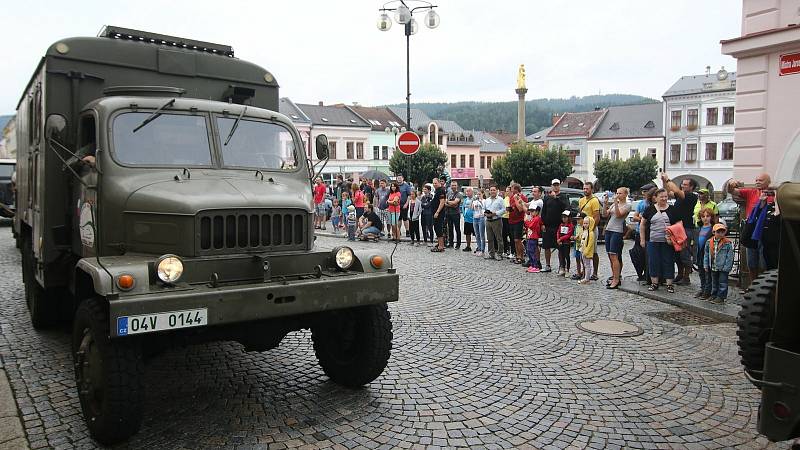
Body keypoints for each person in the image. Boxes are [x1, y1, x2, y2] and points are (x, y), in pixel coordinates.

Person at [640, 188, 680, 293]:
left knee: (668, 261)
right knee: (653, 261)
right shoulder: (649, 209)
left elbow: (679, 224)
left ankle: (669, 284)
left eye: (666, 196)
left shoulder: (672, 209)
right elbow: (642, 224)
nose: (664, 198)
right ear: (655, 198)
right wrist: (642, 239)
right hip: (652, 240)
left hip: (668, 241)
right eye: (661, 196)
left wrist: (673, 233)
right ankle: (654, 283)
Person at [662, 173, 698, 285]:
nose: (683, 186)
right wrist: (664, 181)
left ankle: (686, 277)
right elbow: (669, 192)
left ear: (691, 187)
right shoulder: (681, 195)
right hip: (677, 228)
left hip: (686, 228)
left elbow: (676, 191)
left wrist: (668, 179)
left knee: (684, 253)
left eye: (686, 185)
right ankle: (680, 274)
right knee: (677, 254)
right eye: (682, 184)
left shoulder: (691, 196)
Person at [602, 187, 631, 290]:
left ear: (625, 194)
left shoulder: (627, 205)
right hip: (609, 231)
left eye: (620, 193)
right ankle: (614, 275)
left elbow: (619, 215)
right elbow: (605, 215)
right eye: (617, 193)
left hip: (617, 231)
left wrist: (615, 202)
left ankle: (616, 279)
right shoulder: (615, 204)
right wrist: (605, 204)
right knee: (610, 255)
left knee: (614, 255)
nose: (618, 194)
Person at [540, 179, 569, 272]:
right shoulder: (547, 198)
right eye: (554, 185)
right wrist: (543, 223)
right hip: (548, 226)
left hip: (559, 226)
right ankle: (548, 265)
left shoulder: (563, 197)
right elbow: (543, 212)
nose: (555, 186)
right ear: (551, 186)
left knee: (560, 247)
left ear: (559, 186)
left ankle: (561, 266)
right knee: (546, 246)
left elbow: (566, 208)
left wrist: (556, 198)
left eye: (557, 185)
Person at [703, 222, 734, 304]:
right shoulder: (709, 242)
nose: (720, 234)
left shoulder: (727, 243)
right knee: (714, 282)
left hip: (723, 267)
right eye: (718, 232)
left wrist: (727, 267)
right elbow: (706, 254)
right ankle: (714, 295)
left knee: (723, 282)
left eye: (722, 232)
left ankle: (721, 297)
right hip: (713, 266)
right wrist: (706, 265)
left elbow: (730, 256)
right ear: (713, 232)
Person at [631, 187, 656, 283]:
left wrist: (642, 218)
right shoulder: (642, 204)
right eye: (643, 191)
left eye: (646, 191)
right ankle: (641, 274)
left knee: (649, 255)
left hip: (650, 233)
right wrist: (641, 219)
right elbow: (634, 217)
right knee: (639, 255)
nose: (644, 193)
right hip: (640, 232)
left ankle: (648, 275)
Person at [578, 182, 601, 280]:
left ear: (592, 189)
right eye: (584, 188)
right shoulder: (581, 200)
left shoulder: (594, 200)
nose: (585, 190)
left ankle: (595, 273)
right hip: (583, 229)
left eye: (587, 189)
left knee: (593, 251)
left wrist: (590, 230)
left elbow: (597, 217)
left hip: (591, 230)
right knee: (583, 250)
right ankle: (585, 271)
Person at [694, 208, 716, 300]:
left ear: (711, 217)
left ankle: (708, 291)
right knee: (701, 273)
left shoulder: (713, 229)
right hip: (699, 254)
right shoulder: (698, 229)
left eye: (707, 216)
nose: (705, 218)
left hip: (708, 255)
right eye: (703, 216)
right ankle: (703, 289)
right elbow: (695, 243)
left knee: (708, 274)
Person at [483, 185, 506, 260]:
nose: (492, 191)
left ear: (497, 191)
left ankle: (500, 253)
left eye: (494, 190)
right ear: (489, 191)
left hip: (497, 220)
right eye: (491, 190)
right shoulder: (487, 200)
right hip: (488, 220)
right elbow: (484, 209)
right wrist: (485, 213)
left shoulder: (500, 199)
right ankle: (491, 253)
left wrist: (495, 213)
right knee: (489, 238)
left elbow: (503, 210)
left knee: (499, 238)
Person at [508, 183, 528, 264]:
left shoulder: (522, 197)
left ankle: (521, 257)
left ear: (516, 189)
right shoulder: (511, 197)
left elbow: (520, 209)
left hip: (518, 221)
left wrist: (516, 199)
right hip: (511, 220)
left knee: (518, 239)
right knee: (514, 240)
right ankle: (517, 255)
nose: (511, 190)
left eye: (512, 188)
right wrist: (510, 209)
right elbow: (513, 207)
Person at [527, 186, 544, 268]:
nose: (533, 193)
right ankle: (532, 263)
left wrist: (526, 220)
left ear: (540, 193)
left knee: (533, 248)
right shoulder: (533, 201)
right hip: (530, 230)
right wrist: (519, 200)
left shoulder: (539, 202)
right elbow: (527, 206)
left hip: (534, 230)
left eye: (535, 191)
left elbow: (527, 210)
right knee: (530, 248)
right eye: (532, 191)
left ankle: (536, 263)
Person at [578, 216, 597, 284]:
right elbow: (582, 239)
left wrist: (586, 251)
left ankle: (587, 279)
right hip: (582, 250)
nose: (585, 225)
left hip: (586, 252)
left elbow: (590, 244)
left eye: (587, 223)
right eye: (584, 223)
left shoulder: (591, 233)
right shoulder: (584, 231)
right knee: (585, 265)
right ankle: (586, 277)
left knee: (587, 265)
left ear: (591, 224)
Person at [445, 181, 463, 249]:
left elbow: (455, 203)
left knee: (457, 229)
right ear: (450, 186)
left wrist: (448, 202)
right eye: (452, 185)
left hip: (456, 214)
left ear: (457, 186)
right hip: (449, 213)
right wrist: (451, 203)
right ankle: (451, 243)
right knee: (450, 229)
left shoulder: (459, 194)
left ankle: (458, 244)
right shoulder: (448, 193)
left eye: (455, 185)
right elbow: (447, 203)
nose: (453, 187)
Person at [431, 178, 448, 252]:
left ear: (439, 183)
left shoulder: (441, 190)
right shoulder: (437, 190)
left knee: (438, 229)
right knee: (436, 228)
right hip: (435, 212)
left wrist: (437, 212)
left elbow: (442, 202)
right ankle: (439, 244)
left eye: (436, 183)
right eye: (433, 183)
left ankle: (441, 247)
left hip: (439, 213)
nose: (434, 184)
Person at [524, 207, 542, 273]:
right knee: (529, 251)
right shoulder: (533, 218)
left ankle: (535, 266)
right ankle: (532, 264)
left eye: (533, 211)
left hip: (533, 237)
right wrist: (527, 222)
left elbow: (531, 226)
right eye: (531, 211)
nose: (531, 213)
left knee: (532, 252)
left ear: (537, 212)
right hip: (529, 236)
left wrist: (526, 221)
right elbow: (528, 225)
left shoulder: (537, 218)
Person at [556, 210, 574, 277]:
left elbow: (568, 234)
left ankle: (567, 270)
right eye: (563, 217)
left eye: (565, 217)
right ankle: (562, 268)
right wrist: (558, 239)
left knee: (567, 256)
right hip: (561, 243)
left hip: (566, 243)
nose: (564, 219)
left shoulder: (570, 225)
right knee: (561, 256)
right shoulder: (561, 225)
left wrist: (561, 239)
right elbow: (558, 232)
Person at [471, 190, 486, 257]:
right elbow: (472, 209)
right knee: (477, 235)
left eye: (479, 194)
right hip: (475, 217)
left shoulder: (484, 201)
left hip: (481, 218)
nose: (478, 195)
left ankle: (482, 250)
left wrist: (480, 202)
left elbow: (485, 208)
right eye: (477, 194)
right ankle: (479, 249)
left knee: (481, 234)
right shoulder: (475, 201)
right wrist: (473, 202)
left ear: (483, 194)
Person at [461, 187, 475, 252]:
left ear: (472, 192)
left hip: (474, 220)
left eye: (469, 191)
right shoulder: (465, 199)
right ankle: (468, 246)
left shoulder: (475, 199)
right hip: (467, 220)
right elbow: (463, 207)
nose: (467, 192)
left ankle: (479, 247)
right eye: (466, 191)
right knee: (467, 234)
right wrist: (464, 214)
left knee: (476, 234)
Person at [571, 214, 584, 280]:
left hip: (583, 247)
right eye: (577, 219)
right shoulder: (576, 226)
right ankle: (579, 273)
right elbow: (574, 234)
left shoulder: (585, 227)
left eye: (579, 219)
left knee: (583, 260)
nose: (578, 221)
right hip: (577, 246)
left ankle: (584, 273)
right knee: (577, 259)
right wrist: (573, 237)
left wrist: (579, 238)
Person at [501, 187, 513, 258]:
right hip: (504, 218)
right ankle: (506, 250)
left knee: (511, 236)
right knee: (504, 235)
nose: (507, 193)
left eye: (508, 191)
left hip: (510, 218)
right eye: (506, 191)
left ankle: (512, 251)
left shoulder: (512, 199)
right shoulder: (504, 199)